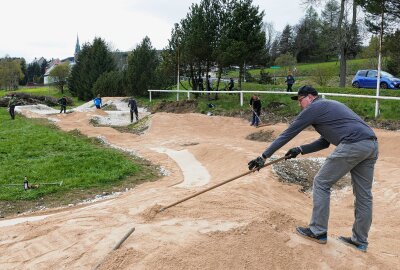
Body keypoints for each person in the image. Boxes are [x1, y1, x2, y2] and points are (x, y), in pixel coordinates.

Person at [247, 85, 378, 252]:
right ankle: (360, 241)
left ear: (310, 97)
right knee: (364, 196)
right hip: (371, 144)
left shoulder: (314, 107)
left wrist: (263, 157)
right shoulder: (328, 107)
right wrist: (300, 149)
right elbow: (324, 142)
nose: (299, 104)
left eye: (300, 100)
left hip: (353, 144)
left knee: (322, 182)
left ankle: (318, 231)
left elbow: (288, 133)